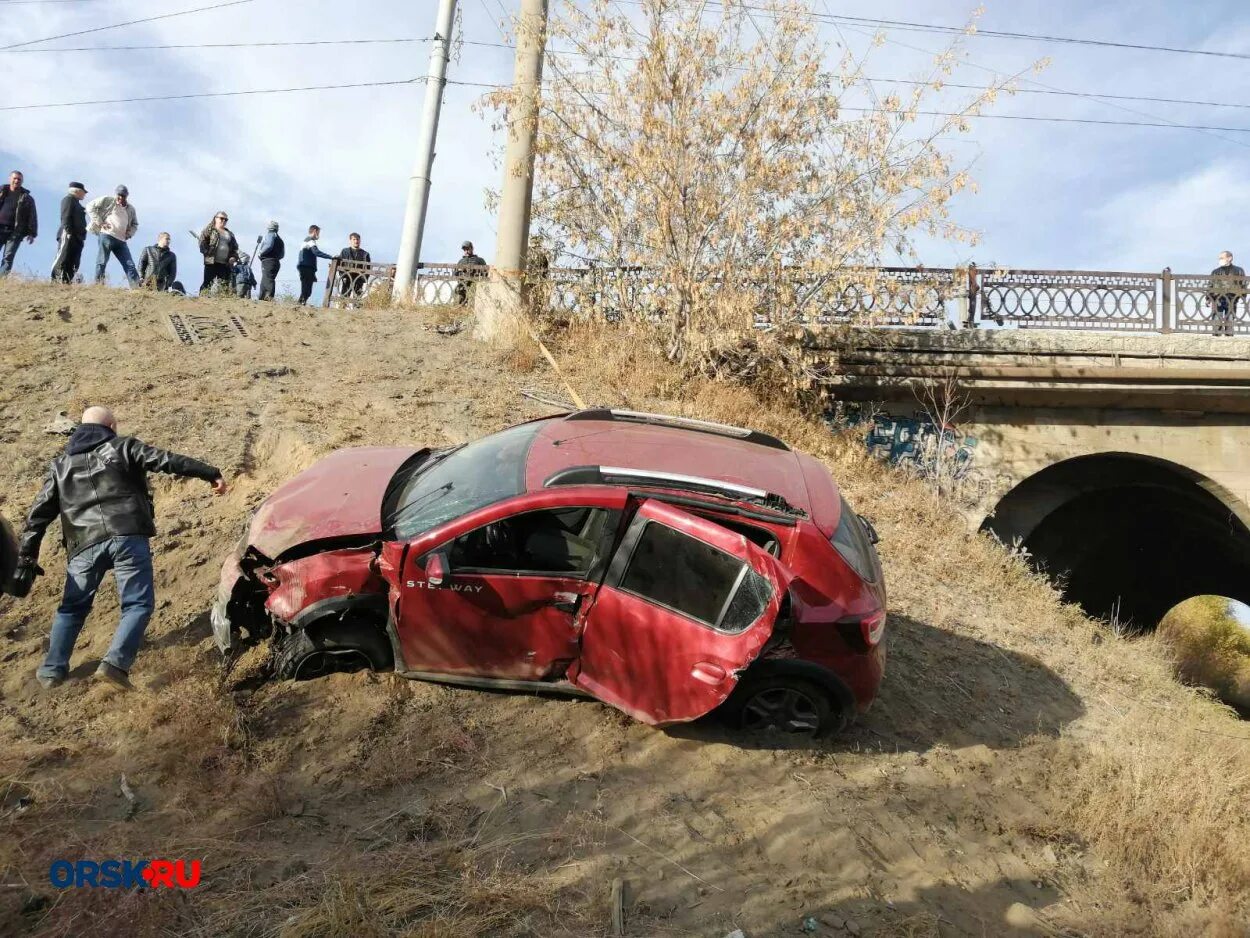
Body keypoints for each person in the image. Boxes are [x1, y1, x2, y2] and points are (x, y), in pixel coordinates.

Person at [11, 406, 226, 690]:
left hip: (82, 544)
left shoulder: (60, 465)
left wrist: (27, 555)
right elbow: (166, 460)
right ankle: (114, 664)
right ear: (111, 425)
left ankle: (52, 671)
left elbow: (37, 516)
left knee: (72, 608)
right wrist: (210, 473)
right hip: (127, 534)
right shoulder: (122, 446)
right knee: (137, 604)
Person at [89, 185, 139, 285]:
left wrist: (129, 234)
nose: (120, 198)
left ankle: (137, 288)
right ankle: (98, 285)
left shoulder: (131, 209)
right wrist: (99, 222)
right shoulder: (108, 200)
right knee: (102, 261)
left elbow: (135, 224)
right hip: (107, 235)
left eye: (123, 196)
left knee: (129, 264)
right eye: (118, 195)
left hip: (121, 241)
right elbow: (90, 206)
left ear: (127, 196)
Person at [0, 170, 38, 277]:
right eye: (14, 178)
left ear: (22, 181)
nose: (16, 181)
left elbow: (32, 216)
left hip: (15, 231)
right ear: (10, 179)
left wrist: (32, 233)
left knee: (8, 257)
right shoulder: (1, 191)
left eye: (19, 179)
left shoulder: (27, 198)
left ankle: (1, 280)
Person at [51, 182, 88, 284]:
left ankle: (66, 281)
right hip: (68, 234)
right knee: (63, 257)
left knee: (74, 261)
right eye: (83, 192)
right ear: (77, 191)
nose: (84, 194)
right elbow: (65, 216)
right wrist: (68, 231)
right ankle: (56, 280)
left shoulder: (77, 203)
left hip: (78, 237)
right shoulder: (68, 199)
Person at [198, 211, 238, 295]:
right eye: (221, 218)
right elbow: (202, 242)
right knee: (208, 283)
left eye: (226, 219)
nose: (224, 221)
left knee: (224, 285)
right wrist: (207, 252)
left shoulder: (230, 234)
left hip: (225, 264)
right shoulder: (209, 230)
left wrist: (233, 257)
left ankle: (222, 302)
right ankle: (202, 299)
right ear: (215, 218)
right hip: (211, 262)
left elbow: (235, 248)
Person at [1207, 251, 1246, 337]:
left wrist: (1243, 297)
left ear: (1230, 258)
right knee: (1217, 323)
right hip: (1217, 300)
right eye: (1219, 258)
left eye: (1222, 258)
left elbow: (1243, 284)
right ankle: (1216, 341)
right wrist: (1208, 298)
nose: (1220, 260)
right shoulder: (1215, 272)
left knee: (1230, 323)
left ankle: (1229, 340)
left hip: (1232, 299)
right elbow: (1210, 285)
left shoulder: (1239, 270)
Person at [296, 225, 333, 305]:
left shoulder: (307, 240)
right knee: (307, 287)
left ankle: (301, 303)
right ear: (315, 231)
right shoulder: (310, 240)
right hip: (306, 267)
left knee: (306, 287)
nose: (319, 235)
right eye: (318, 233)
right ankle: (301, 303)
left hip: (306, 267)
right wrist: (331, 257)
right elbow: (316, 252)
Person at [338, 232, 371, 303]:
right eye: (354, 239)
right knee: (344, 298)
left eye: (358, 239)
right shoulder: (345, 251)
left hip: (359, 278)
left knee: (357, 300)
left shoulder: (365, 254)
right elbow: (340, 264)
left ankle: (356, 312)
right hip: (347, 277)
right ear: (350, 240)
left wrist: (363, 279)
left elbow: (368, 268)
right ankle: (341, 310)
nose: (356, 241)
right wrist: (342, 276)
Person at [257, 221, 284, 301]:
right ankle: (261, 298)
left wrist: (260, 253)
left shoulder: (270, 235)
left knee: (268, 279)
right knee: (265, 278)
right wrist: (276, 257)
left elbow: (268, 245)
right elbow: (282, 254)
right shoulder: (280, 240)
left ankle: (269, 297)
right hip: (276, 262)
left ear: (269, 227)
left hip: (268, 261)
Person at [455, 239, 487, 305]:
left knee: (474, 299)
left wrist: (477, 274)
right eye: (464, 250)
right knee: (459, 295)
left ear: (472, 248)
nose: (466, 251)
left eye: (467, 249)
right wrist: (461, 273)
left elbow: (485, 273)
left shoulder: (479, 260)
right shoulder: (461, 261)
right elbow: (455, 273)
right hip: (463, 285)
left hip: (475, 284)